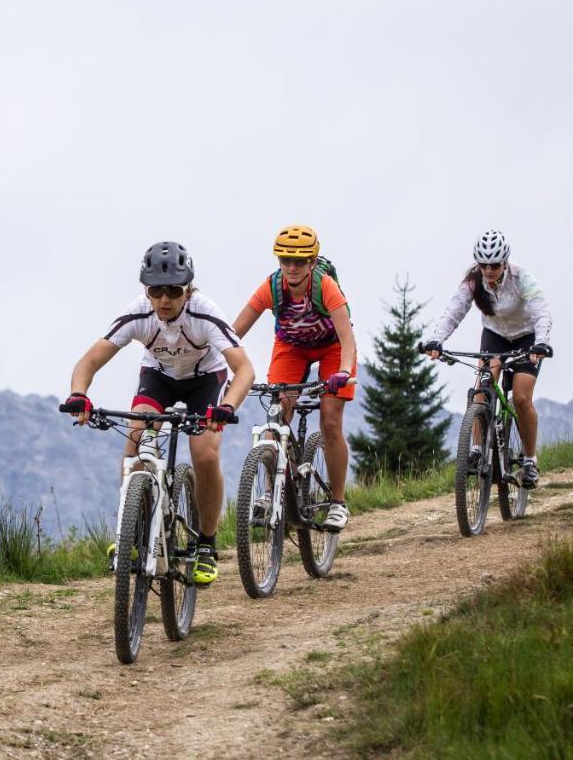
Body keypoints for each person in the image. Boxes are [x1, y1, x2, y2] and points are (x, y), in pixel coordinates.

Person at [62, 241, 254, 586]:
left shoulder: (205, 313)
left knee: (205, 455)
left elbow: (244, 370)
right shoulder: (139, 313)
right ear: (146, 290)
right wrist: (79, 395)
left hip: (205, 381)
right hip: (159, 377)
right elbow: (89, 361)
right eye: (155, 291)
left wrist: (227, 407)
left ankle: (207, 545)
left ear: (188, 289)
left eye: (173, 291)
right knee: (135, 438)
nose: (164, 300)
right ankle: (131, 534)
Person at [230, 225, 356, 532]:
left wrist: (343, 371)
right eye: (285, 260)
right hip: (292, 347)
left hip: (332, 348)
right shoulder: (272, 287)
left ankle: (338, 502)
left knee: (329, 421)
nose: (291, 267)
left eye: (299, 261)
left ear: (312, 262)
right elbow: (232, 335)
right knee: (278, 412)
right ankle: (272, 493)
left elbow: (347, 337)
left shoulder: (325, 286)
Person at [420, 229, 553, 488]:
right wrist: (437, 339)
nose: (489, 271)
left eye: (494, 265)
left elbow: (541, 310)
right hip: (495, 337)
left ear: (504, 262)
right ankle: (478, 450)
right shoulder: (473, 281)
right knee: (480, 390)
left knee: (522, 398)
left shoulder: (522, 278)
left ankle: (529, 460)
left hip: (527, 339)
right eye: (484, 265)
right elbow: (454, 310)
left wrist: (542, 342)